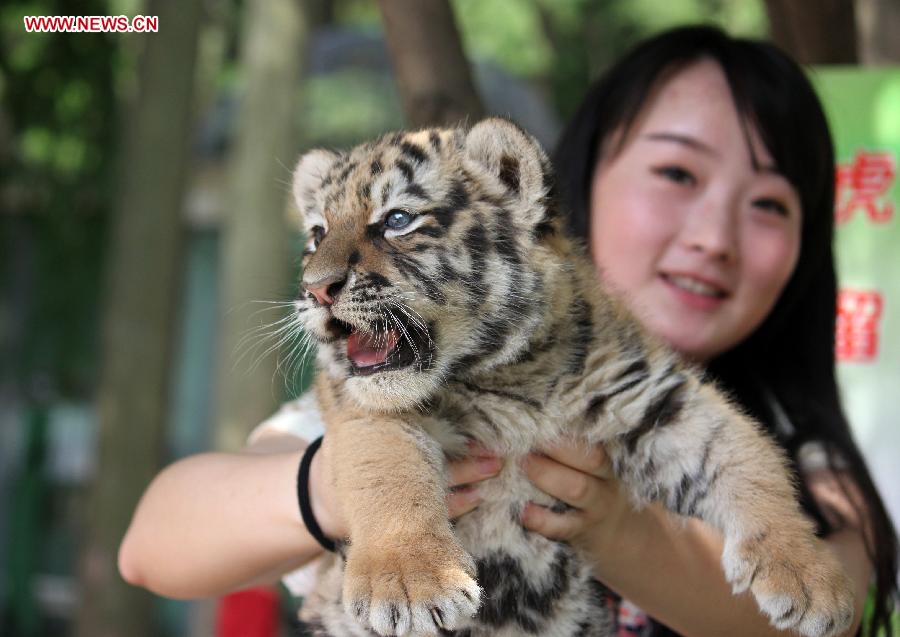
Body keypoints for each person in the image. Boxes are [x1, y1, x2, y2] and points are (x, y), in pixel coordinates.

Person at [119, 25, 899, 637]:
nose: (713, 235)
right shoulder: (400, 366)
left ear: (517, 190)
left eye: (769, 203)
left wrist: (620, 526)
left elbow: (816, 613)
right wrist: (350, 495)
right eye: (677, 174)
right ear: (585, 172)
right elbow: (153, 543)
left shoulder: (817, 451)